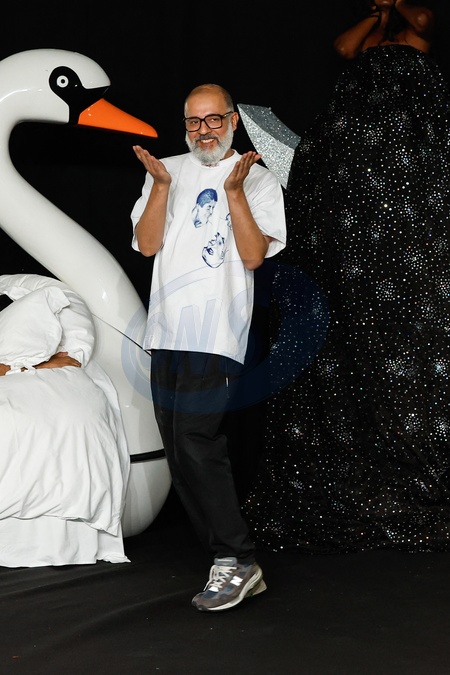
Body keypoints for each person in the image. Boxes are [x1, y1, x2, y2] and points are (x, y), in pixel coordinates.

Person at [243, 0, 450, 554]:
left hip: (405, 158)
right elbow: (343, 48)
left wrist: (395, 7)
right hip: (352, 165)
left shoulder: (417, 32)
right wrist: (378, 17)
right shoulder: (374, 38)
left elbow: (423, 26)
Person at [130, 83, 286, 611]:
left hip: (215, 332)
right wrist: (159, 187)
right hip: (166, 331)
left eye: (214, 120)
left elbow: (254, 256)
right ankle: (223, 556)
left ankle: (237, 559)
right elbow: (147, 244)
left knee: (197, 440)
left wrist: (235, 192)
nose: (204, 131)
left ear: (233, 121)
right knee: (178, 450)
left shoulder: (257, 178)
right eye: (194, 122)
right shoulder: (167, 171)